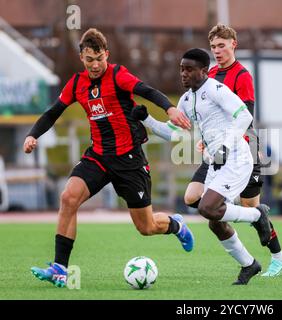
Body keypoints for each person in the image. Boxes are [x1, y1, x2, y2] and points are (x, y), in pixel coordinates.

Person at [23, 28, 194, 288]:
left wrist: (169, 108)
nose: (95, 65)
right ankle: (59, 269)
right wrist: (32, 135)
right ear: (82, 57)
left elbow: (147, 91)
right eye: (89, 59)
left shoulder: (117, 75)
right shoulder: (77, 84)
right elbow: (52, 113)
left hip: (129, 160)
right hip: (99, 157)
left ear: (107, 55)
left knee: (146, 227)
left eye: (99, 58)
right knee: (68, 198)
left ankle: (175, 225)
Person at [132, 48, 272, 285]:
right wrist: (147, 119)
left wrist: (226, 145)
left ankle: (257, 215)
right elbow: (172, 132)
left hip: (236, 159)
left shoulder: (217, 90)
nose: (183, 74)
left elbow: (244, 116)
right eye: (181, 69)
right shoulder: (187, 99)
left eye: (189, 69)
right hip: (217, 163)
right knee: (215, 223)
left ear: (204, 71)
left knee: (207, 207)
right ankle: (249, 264)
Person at [187, 24, 282, 277]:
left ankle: (278, 257)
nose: (217, 51)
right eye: (213, 47)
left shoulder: (242, 76)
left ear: (234, 44)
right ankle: (235, 234)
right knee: (192, 197)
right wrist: (205, 139)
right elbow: (206, 114)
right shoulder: (208, 75)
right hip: (217, 150)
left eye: (222, 45)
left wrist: (222, 144)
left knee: (251, 207)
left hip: (244, 148)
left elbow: (245, 116)